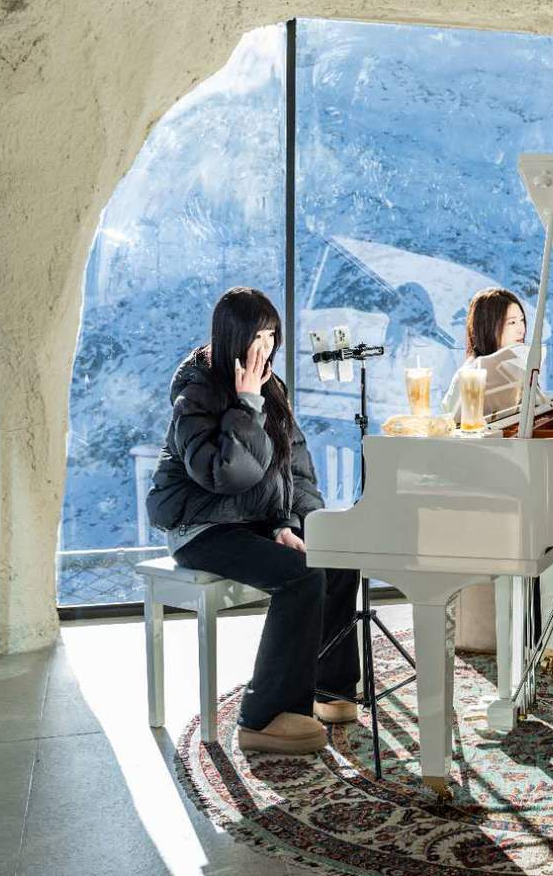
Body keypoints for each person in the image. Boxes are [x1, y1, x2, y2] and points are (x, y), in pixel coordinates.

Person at [146, 287, 362, 755]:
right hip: (201, 528)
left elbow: (293, 470)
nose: (265, 347)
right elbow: (226, 474)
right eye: (256, 336)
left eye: (271, 336)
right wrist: (246, 405)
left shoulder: (272, 387)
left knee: (338, 557)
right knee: (301, 577)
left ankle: (329, 687)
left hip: (254, 521)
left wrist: (293, 524)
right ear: (231, 336)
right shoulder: (197, 392)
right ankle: (263, 717)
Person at [444, 287, 553, 660]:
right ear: (489, 326)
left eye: (522, 320)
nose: (521, 329)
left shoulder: (520, 367)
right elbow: (454, 432)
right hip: (491, 485)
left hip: (521, 473)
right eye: (511, 322)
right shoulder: (469, 375)